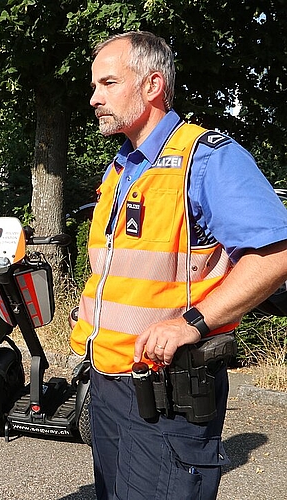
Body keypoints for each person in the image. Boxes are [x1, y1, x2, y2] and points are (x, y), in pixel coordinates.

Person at [71, 31, 287, 500]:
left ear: (151, 86)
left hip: (169, 392)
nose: (94, 99)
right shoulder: (121, 168)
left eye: (106, 83)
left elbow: (276, 255)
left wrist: (193, 323)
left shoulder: (206, 158)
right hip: (110, 385)